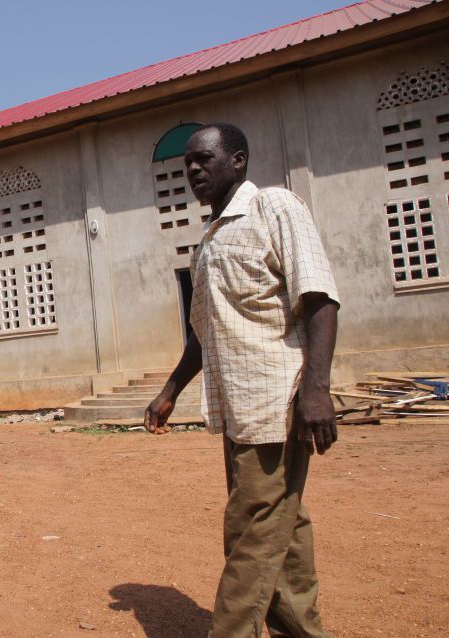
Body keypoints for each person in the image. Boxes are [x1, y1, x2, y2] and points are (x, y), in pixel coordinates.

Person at [145, 124, 340, 637]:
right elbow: (202, 336)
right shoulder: (208, 242)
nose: (192, 170)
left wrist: (316, 390)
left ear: (238, 161)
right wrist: (169, 393)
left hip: (279, 400)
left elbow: (318, 298)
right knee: (283, 526)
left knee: (251, 529)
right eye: (187, 163)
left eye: (204, 159)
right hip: (239, 408)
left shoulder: (273, 208)